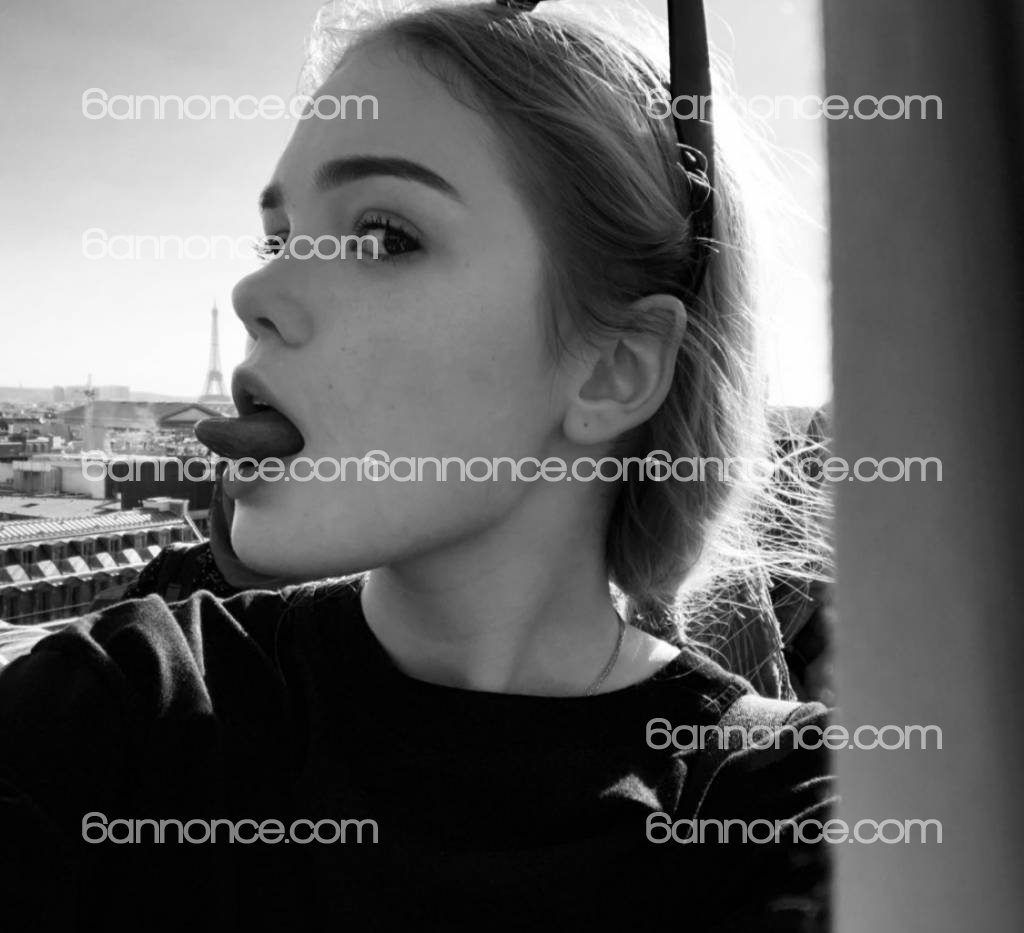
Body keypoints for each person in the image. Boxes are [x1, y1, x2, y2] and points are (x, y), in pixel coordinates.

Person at [0, 1, 835, 929]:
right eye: (279, 239)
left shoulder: (788, 811)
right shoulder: (125, 701)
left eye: (383, 236)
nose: (255, 290)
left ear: (614, 367)